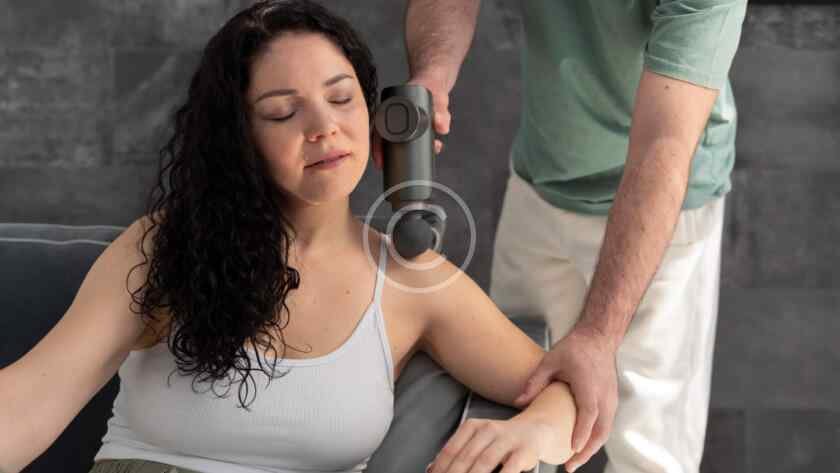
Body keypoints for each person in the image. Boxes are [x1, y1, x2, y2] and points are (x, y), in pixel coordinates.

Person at [0, 2, 579, 473]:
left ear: (376, 115)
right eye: (282, 113)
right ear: (240, 141)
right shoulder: (162, 249)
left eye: (341, 98)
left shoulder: (411, 279)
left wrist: (535, 430)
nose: (324, 127)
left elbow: (562, 391)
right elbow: (27, 406)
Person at [380, 1, 748, 472]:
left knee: (649, 454)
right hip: (544, 178)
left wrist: (598, 336)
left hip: (665, 212)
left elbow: (664, 147)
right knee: (512, 406)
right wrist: (432, 75)